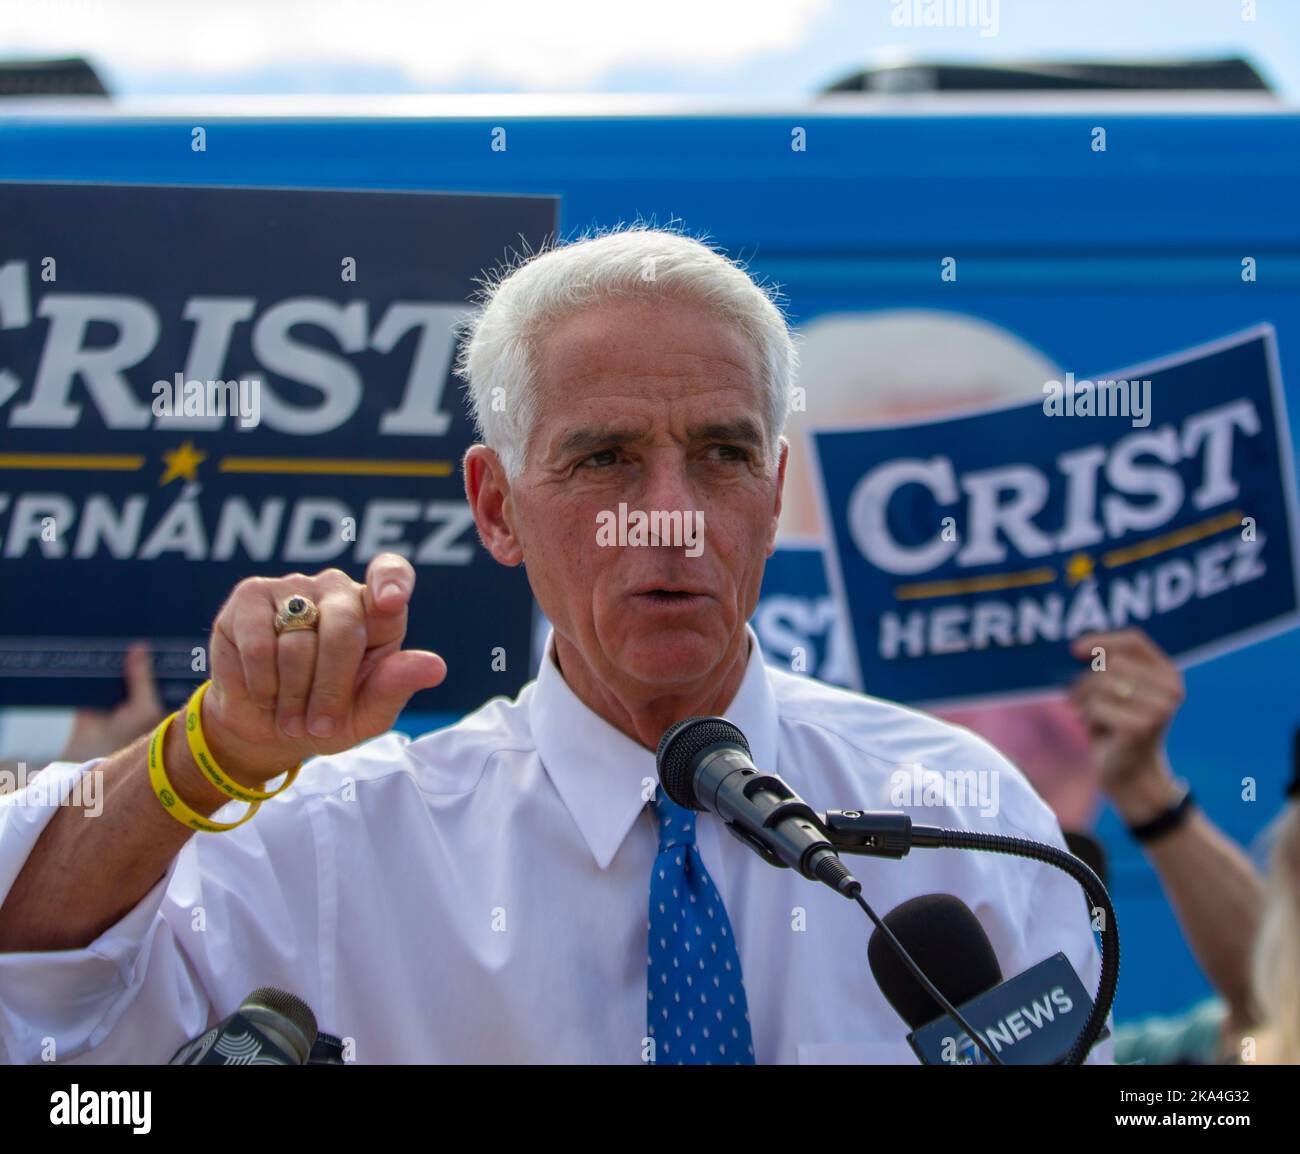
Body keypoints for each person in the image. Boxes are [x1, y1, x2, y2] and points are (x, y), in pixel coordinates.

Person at [0, 225, 1108, 1064]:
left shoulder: (965, 811)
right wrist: (209, 752)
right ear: (494, 507)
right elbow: (37, 992)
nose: (670, 515)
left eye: (721, 454)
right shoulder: (330, 842)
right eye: (605, 459)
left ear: (774, 495)